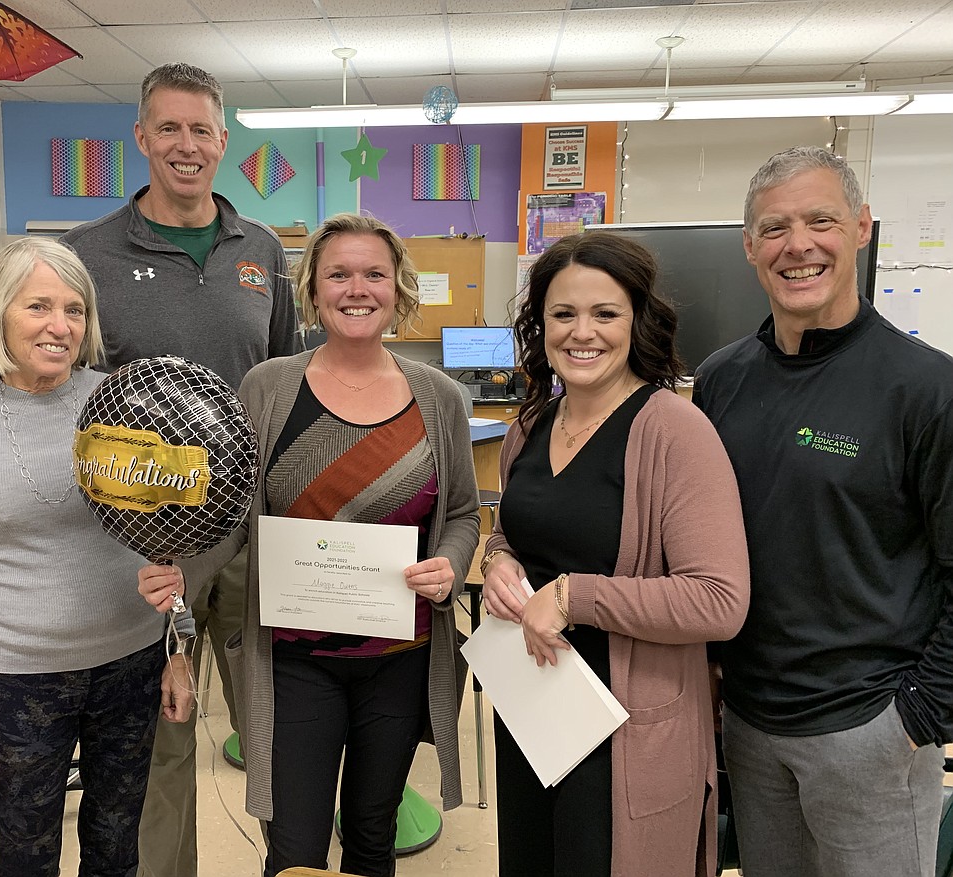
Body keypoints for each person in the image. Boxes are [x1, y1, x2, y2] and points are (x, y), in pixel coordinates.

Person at [139, 213, 480, 877]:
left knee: (372, 842)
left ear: (398, 288)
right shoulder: (268, 387)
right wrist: (182, 570)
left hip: (399, 657)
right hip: (294, 661)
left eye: (374, 273)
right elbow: (234, 513)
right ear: (314, 292)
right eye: (340, 274)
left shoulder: (438, 397)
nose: (358, 288)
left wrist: (453, 563)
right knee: (293, 850)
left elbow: (462, 511)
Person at [61, 62, 301, 877]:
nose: (186, 145)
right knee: (161, 740)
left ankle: (294, 862)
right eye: (168, 128)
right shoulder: (84, 255)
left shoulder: (262, 250)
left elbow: (284, 385)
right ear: (141, 137)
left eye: (201, 129)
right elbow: (71, 401)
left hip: (248, 534)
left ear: (223, 141)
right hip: (143, 549)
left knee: (273, 724)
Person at [693, 146, 953, 877]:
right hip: (749, 725)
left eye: (821, 220)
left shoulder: (926, 389)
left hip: (869, 729)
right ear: (749, 247)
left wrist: (917, 718)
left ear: (862, 228)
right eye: (774, 228)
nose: (797, 245)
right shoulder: (720, 382)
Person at [0, 237, 195, 876]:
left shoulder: (127, 403)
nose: (59, 326)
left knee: (117, 851)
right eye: (38, 306)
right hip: (23, 680)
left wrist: (180, 647)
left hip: (131, 664)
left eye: (75, 310)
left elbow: (168, 534)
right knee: (24, 857)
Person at [481, 231, 750, 877]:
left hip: (626, 729)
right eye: (563, 314)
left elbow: (720, 600)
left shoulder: (674, 430)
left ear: (638, 321)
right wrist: (498, 561)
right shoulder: (533, 423)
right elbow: (518, 533)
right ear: (539, 324)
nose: (583, 332)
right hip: (534, 709)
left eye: (605, 314)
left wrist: (574, 595)